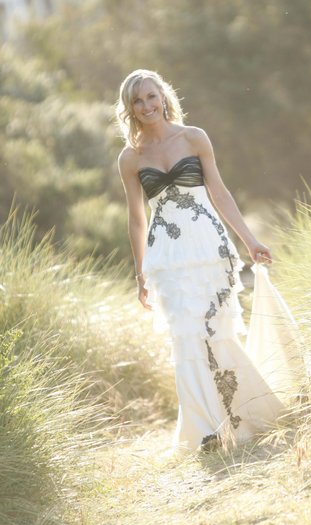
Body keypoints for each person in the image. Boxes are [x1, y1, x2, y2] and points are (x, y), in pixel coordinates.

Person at [116, 69, 285, 453]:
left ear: (163, 96)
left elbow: (220, 193)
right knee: (184, 335)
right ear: (129, 109)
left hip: (210, 249)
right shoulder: (130, 158)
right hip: (166, 259)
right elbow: (137, 219)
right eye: (137, 101)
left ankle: (243, 416)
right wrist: (141, 272)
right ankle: (205, 431)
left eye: (150, 96)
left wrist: (250, 241)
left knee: (216, 333)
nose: (146, 106)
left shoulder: (194, 138)